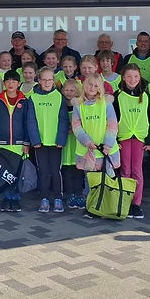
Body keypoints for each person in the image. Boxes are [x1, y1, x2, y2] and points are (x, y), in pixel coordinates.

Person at [113, 63, 150, 219]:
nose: (132, 79)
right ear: (123, 77)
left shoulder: (146, 96)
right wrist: (114, 140)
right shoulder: (118, 96)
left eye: (136, 76)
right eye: (129, 76)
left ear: (140, 77)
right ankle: (124, 201)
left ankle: (136, 204)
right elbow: (112, 119)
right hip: (123, 137)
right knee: (125, 170)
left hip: (139, 138)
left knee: (137, 171)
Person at [28, 67, 70, 214]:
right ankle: (44, 198)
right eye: (44, 79)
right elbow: (31, 121)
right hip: (40, 142)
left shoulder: (59, 97)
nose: (46, 82)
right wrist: (35, 140)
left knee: (55, 171)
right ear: (39, 80)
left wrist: (61, 139)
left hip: (55, 142)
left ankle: (58, 198)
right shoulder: (33, 98)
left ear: (54, 80)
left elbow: (63, 120)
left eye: (49, 79)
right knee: (43, 171)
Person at [0, 70, 32, 212]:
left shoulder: (24, 100)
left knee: (17, 173)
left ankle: (15, 199)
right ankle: (6, 198)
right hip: (3, 144)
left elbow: (28, 123)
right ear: (4, 83)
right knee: (5, 173)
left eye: (14, 81)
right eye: (8, 81)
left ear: (19, 83)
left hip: (19, 145)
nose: (11, 83)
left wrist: (27, 142)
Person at [60, 79, 84, 208]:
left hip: (77, 141)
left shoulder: (80, 105)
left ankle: (79, 194)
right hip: (66, 141)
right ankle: (70, 194)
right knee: (67, 168)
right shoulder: (61, 104)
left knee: (78, 169)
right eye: (66, 90)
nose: (68, 93)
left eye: (72, 90)